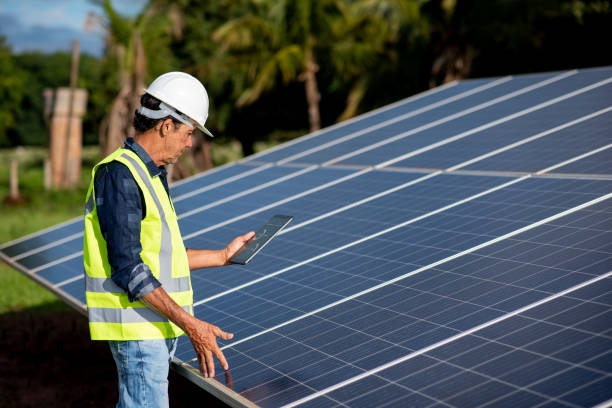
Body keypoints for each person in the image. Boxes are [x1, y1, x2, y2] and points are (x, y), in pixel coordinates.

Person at [83, 71, 254, 407]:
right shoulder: (121, 174)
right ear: (165, 126)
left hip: (154, 328)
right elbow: (129, 268)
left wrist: (222, 255)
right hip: (138, 332)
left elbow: (164, 256)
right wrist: (193, 325)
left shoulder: (148, 173)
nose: (190, 143)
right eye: (188, 133)